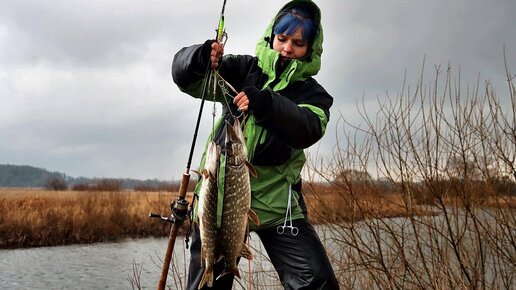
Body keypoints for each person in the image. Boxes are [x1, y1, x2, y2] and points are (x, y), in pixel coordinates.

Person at [172, 0, 339, 289]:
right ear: (271, 37)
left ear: (310, 48)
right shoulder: (243, 69)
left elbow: (307, 128)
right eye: (282, 39)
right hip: (220, 201)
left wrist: (266, 103)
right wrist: (200, 58)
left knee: (318, 283)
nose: (287, 48)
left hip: (279, 207)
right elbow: (186, 80)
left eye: (298, 43)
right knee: (207, 283)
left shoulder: (313, 95)